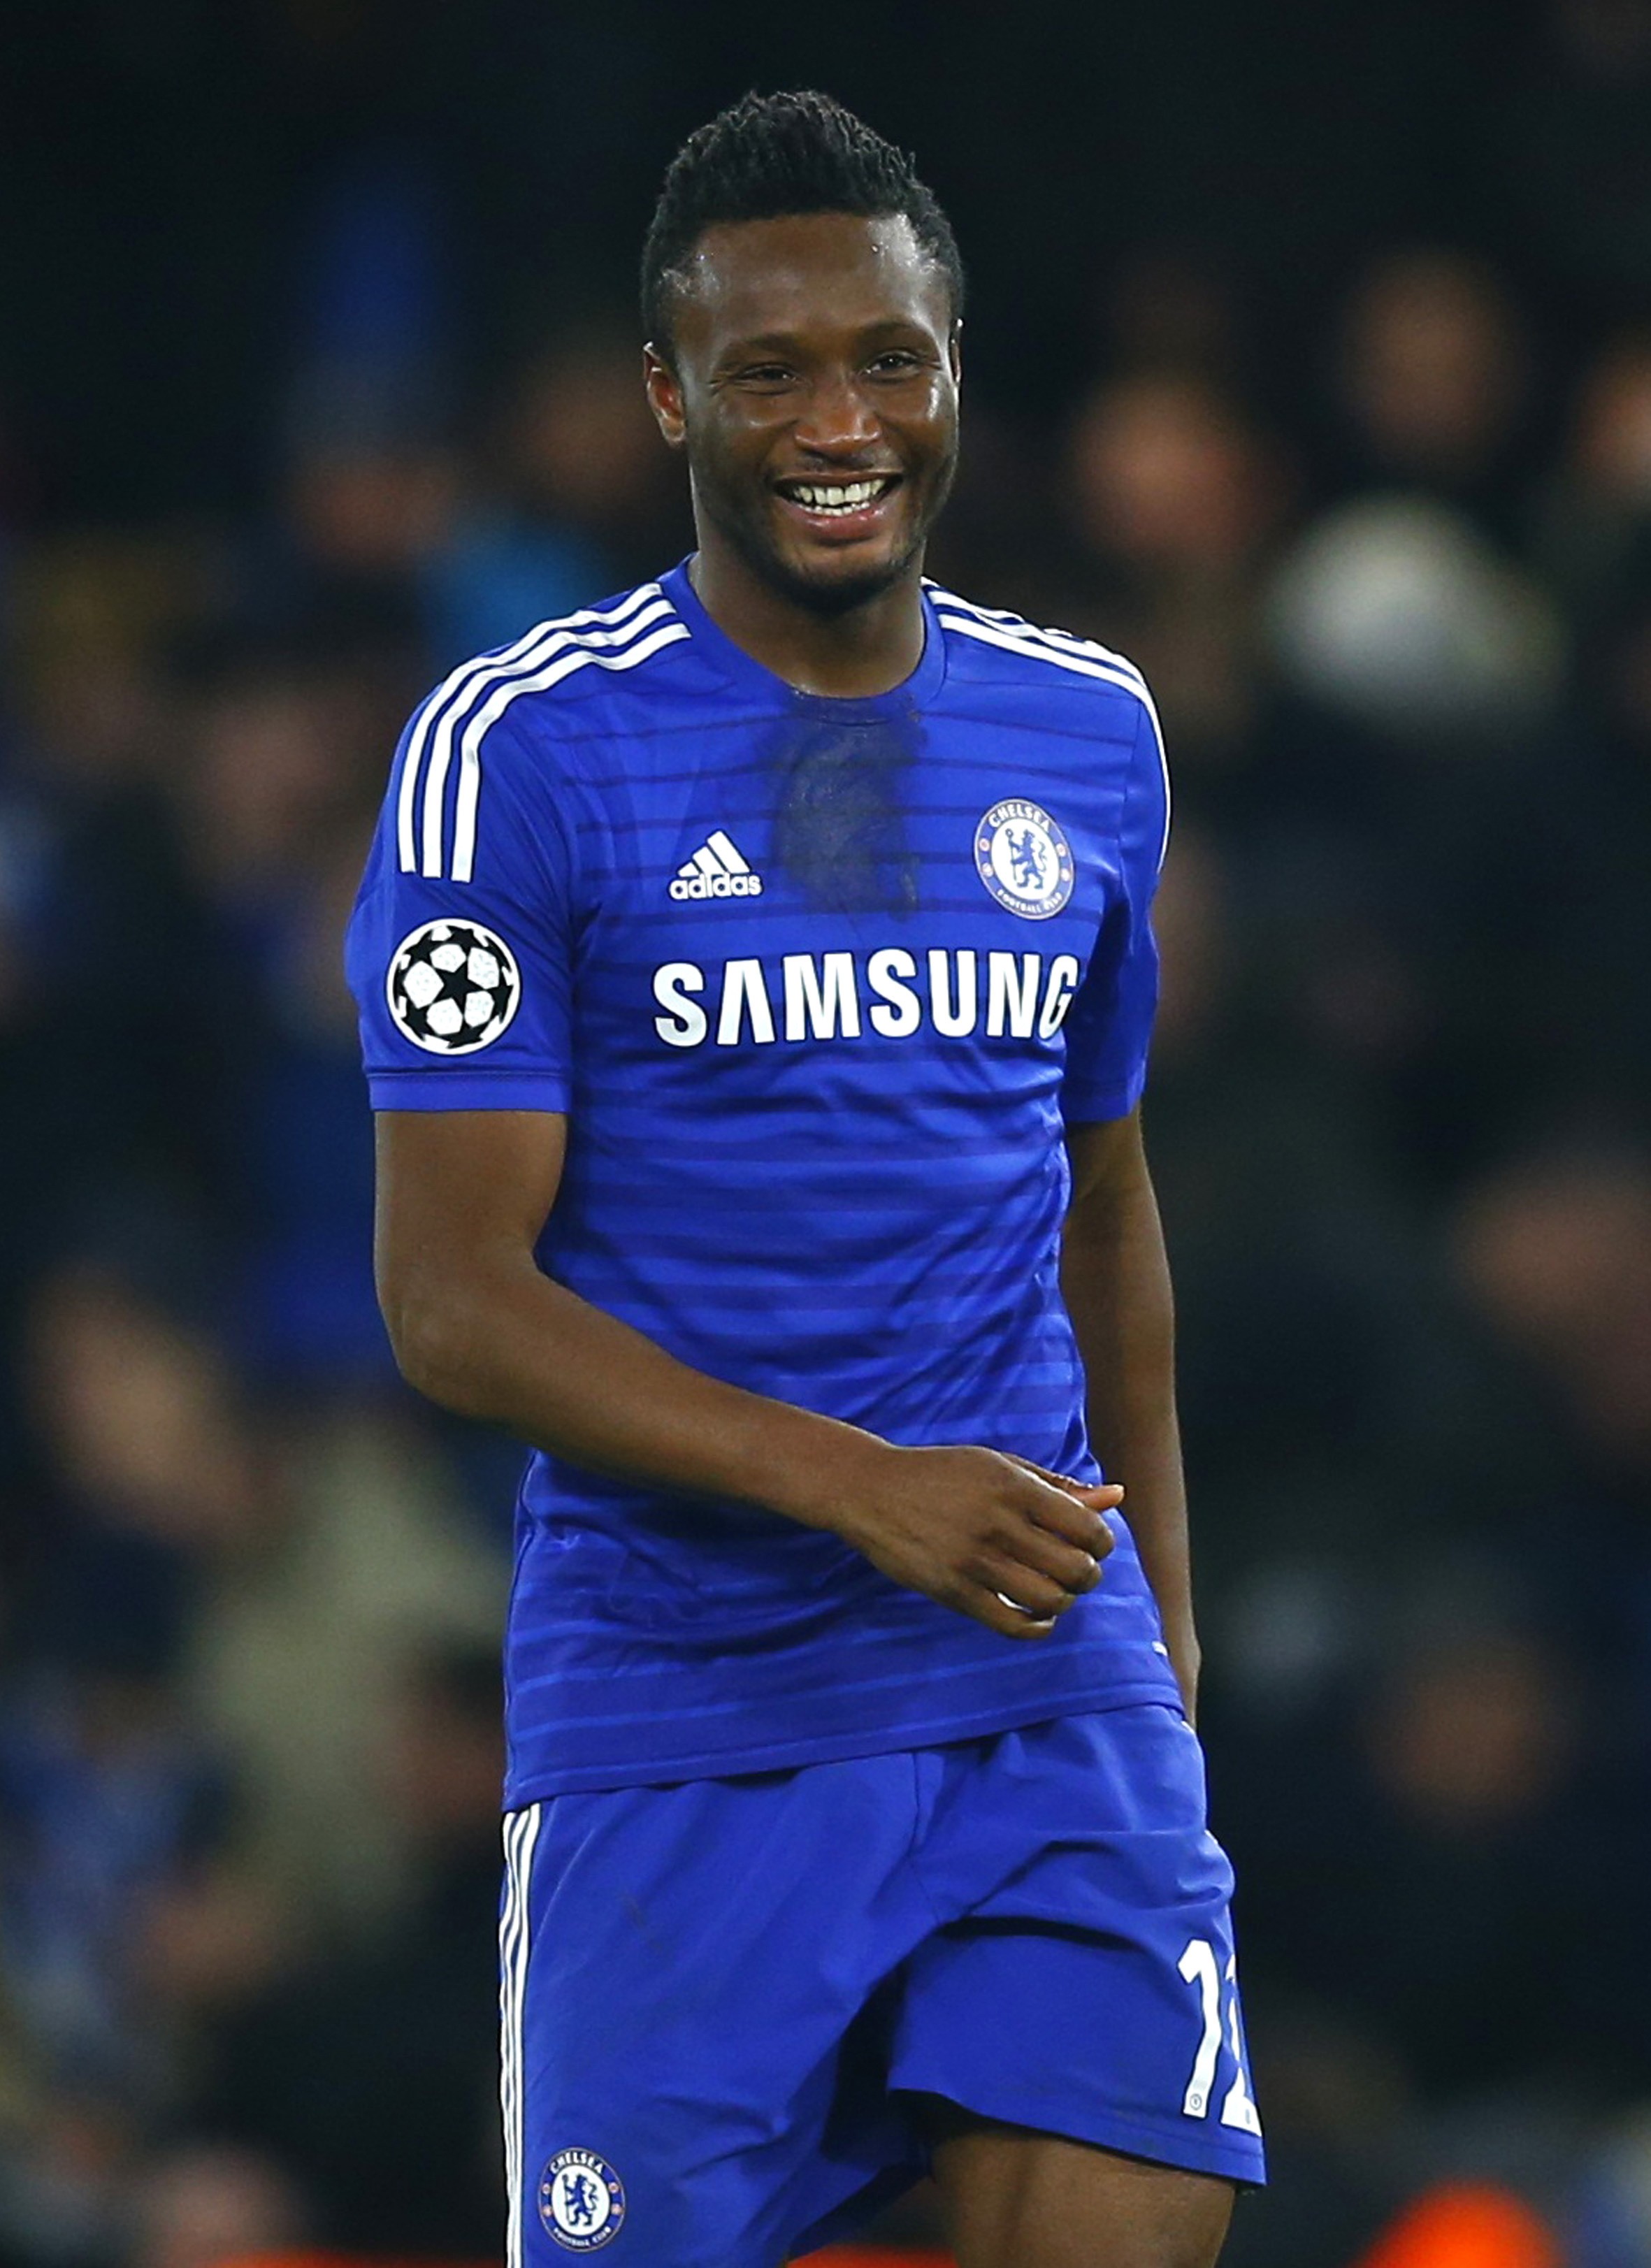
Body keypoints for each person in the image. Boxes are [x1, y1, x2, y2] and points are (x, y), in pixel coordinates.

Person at [346, 88, 1263, 2268]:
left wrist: (1167, 1626)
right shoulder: (518, 754)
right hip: (686, 1716)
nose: (838, 419)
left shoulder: (1090, 731)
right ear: (669, 393)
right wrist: (860, 1483)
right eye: (770, 371)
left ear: (955, 371)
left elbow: (1100, 1197)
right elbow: (451, 1303)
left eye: (889, 360)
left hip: (1039, 1688)